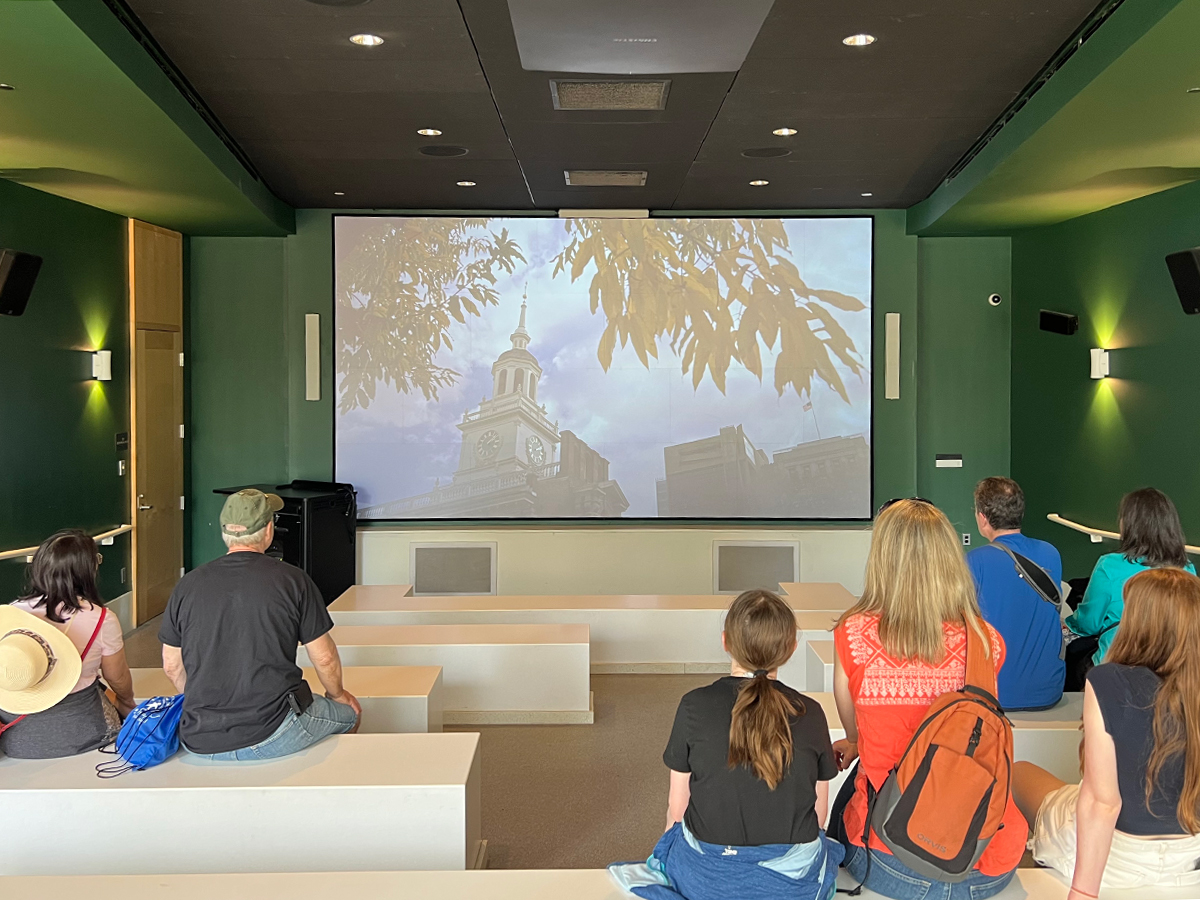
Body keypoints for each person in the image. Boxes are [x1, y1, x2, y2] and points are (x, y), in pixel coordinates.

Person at [830, 499, 1025, 900]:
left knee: (848, 799)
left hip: (889, 859)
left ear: (882, 560)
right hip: (983, 863)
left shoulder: (852, 634)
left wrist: (855, 742)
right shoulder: (987, 641)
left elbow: (855, 729)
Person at [609, 590, 843, 900]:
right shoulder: (810, 713)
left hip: (706, 882)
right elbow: (819, 815)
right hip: (792, 886)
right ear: (791, 649)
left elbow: (677, 810)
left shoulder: (694, 705)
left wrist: (672, 855)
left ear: (725, 642)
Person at [1014, 567, 1200, 895]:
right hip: (1189, 857)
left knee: (1018, 772)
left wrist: (1084, 892)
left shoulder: (1108, 680)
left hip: (1117, 858)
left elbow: (1103, 803)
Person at [160, 489, 361, 760]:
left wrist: (204, 704)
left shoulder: (187, 585)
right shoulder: (294, 581)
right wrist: (337, 695)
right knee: (350, 714)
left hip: (200, 738)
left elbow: (172, 665)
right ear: (268, 530)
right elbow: (324, 658)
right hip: (274, 732)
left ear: (224, 532)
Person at [0, 529, 135, 758]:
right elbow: (117, 677)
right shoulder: (102, 619)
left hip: (14, 737)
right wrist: (128, 703)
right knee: (106, 692)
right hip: (82, 732)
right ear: (87, 571)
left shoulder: (11, 614)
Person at [966, 477, 1064, 710]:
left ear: (983, 518)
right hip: (1048, 692)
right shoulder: (1051, 553)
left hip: (993, 694)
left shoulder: (973, 562)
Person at [1067, 487, 1195, 666]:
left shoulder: (1109, 565)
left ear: (1129, 525)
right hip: (1168, 667)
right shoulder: (1187, 570)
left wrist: (1069, 623)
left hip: (1115, 666)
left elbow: (1089, 624)